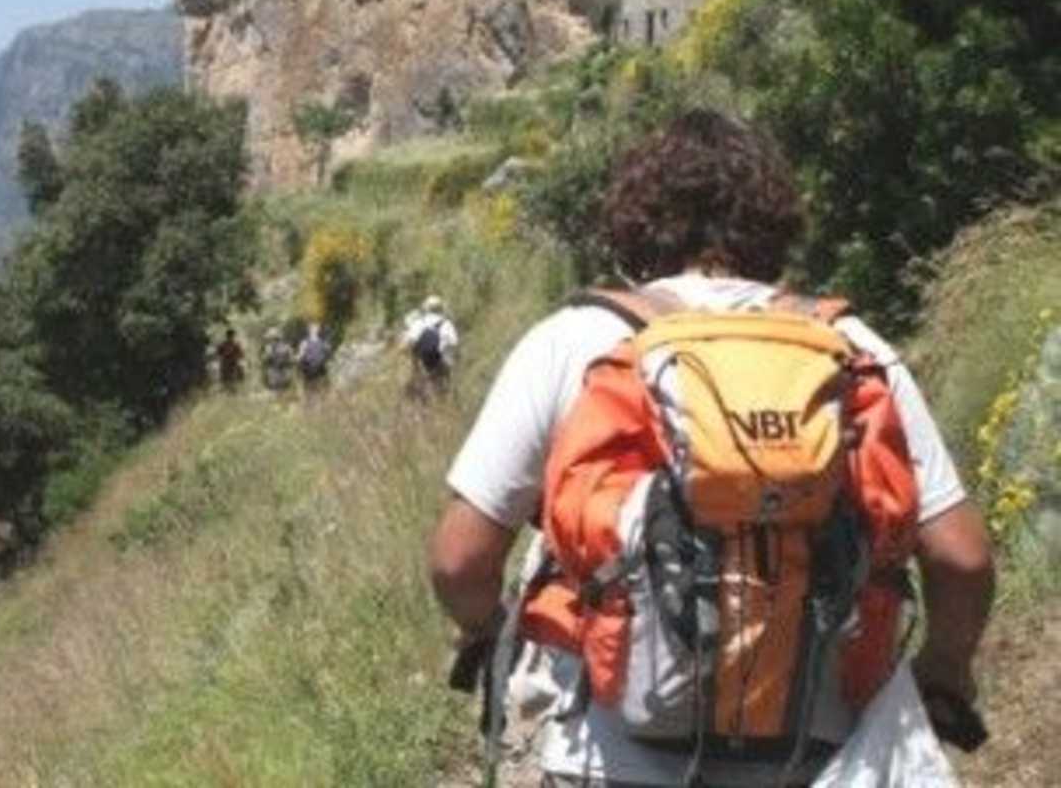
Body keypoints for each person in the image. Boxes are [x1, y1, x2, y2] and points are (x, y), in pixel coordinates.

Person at [427, 110, 994, 788]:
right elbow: (961, 559)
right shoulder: (853, 348)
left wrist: (489, 628)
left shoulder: (573, 340)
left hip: (610, 758)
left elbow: (460, 559)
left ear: (635, 221)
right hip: (816, 756)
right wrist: (945, 667)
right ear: (776, 221)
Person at [401, 294, 459, 399]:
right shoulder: (447, 323)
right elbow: (454, 343)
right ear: (440, 308)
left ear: (426, 309)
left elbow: (407, 343)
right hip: (444, 362)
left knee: (428, 390)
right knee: (443, 390)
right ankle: (443, 404)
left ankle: (427, 404)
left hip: (425, 364)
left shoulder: (419, 323)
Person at [296, 322, 330, 391]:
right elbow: (327, 356)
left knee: (313, 392)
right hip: (315, 370)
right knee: (317, 391)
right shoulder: (323, 343)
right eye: (314, 328)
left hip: (314, 371)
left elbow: (299, 357)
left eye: (315, 328)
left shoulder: (305, 342)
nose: (314, 330)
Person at [262, 328, 294, 393]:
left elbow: (265, 359)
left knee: (276, 394)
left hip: (273, 375)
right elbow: (292, 360)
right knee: (284, 394)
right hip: (285, 374)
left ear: (272, 338)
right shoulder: (287, 346)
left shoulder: (269, 347)